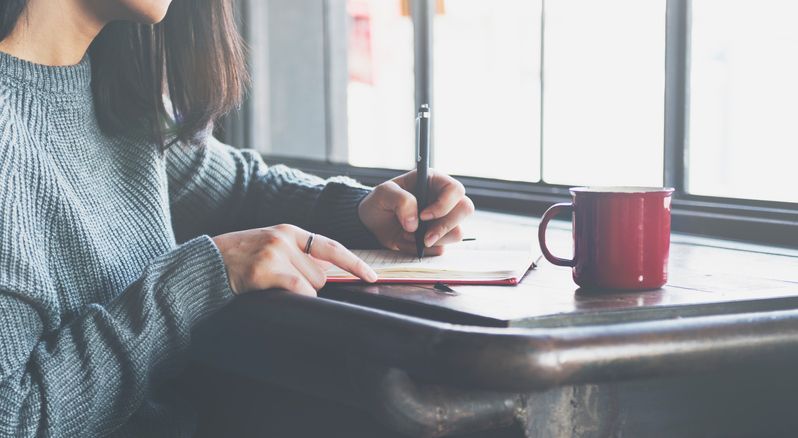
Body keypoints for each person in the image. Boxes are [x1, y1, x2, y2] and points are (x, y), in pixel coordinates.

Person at [0, 0, 474, 436]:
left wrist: (362, 210)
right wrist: (200, 278)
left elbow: (235, 188)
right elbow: (12, 419)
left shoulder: (113, 86)